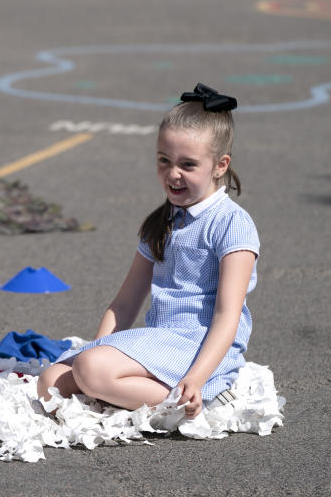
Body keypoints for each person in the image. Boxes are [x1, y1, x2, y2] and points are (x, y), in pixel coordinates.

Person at [38, 84, 259, 418]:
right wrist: (99, 349)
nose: (173, 174)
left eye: (188, 164)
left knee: (91, 370)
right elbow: (125, 303)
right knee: (51, 383)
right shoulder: (161, 222)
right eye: (164, 160)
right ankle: (123, 392)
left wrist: (196, 377)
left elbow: (227, 315)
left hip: (200, 350)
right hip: (162, 343)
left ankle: (199, 402)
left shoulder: (232, 224)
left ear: (220, 165)